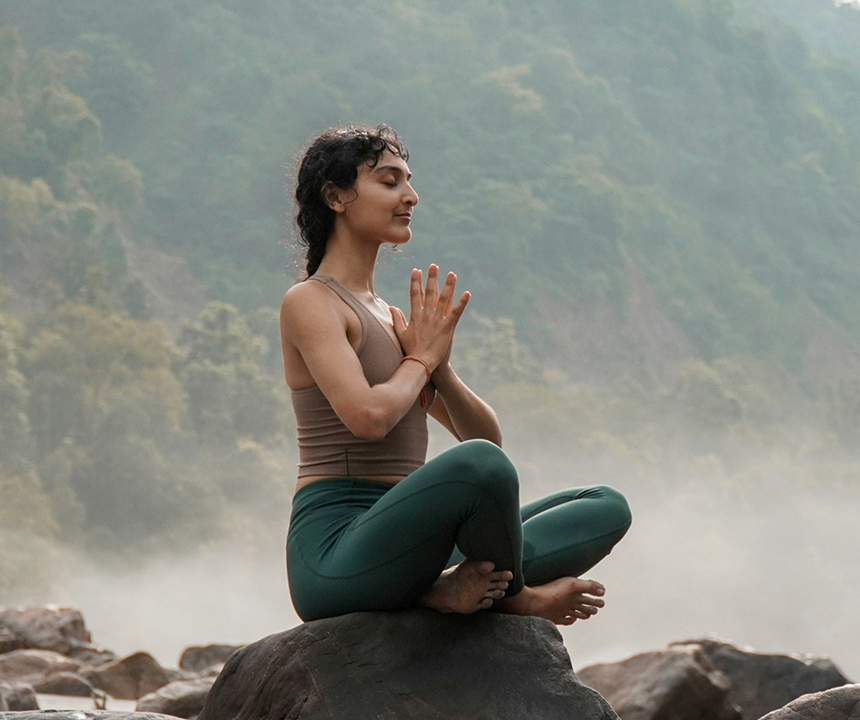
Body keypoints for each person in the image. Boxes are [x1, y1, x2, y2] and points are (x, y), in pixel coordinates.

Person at [280, 124, 631, 624]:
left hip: (415, 541)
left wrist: (437, 366)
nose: (411, 196)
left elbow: (485, 437)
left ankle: (439, 589)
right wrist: (419, 361)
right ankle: (517, 599)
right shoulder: (311, 302)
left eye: (409, 181)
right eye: (389, 181)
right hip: (336, 555)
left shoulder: (391, 317)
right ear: (336, 197)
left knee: (604, 506)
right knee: (477, 467)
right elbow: (369, 418)